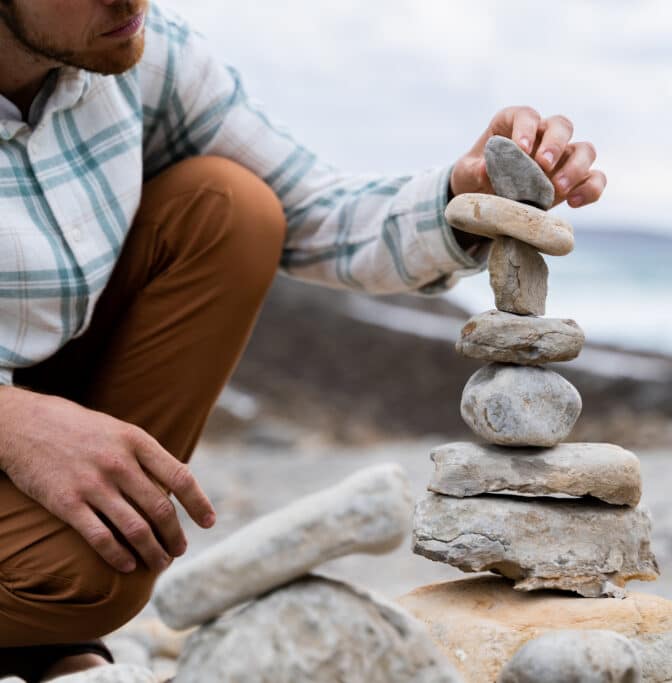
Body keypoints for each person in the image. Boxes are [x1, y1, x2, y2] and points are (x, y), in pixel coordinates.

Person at [0, 0, 606, 678]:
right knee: (89, 575)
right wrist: (12, 422)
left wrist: (462, 197)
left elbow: (313, 208)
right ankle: (43, 625)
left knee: (233, 208)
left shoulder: (139, 52)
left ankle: (38, 620)